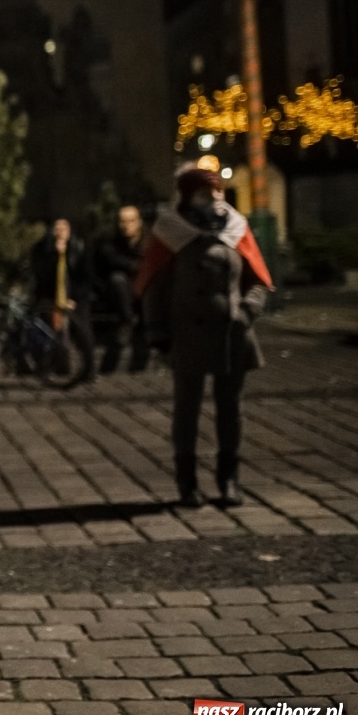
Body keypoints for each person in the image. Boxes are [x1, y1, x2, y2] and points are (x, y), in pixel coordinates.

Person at [136, 165, 272, 508]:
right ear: (186, 195)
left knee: (231, 410)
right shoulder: (171, 231)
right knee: (187, 411)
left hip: (232, 333)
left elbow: (257, 280)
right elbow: (155, 286)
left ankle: (229, 480)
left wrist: (247, 312)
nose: (214, 198)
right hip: (188, 335)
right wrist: (158, 334)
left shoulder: (236, 228)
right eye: (204, 192)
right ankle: (187, 483)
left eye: (218, 191)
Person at [29, 218, 98, 386]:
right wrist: (55, 256)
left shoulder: (79, 248)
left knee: (82, 327)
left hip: (74, 296)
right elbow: (42, 277)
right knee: (44, 325)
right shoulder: (43, 249)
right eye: (57, 228)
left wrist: (73, 298)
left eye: (64, 228)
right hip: (50, 296)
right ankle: (52, 365)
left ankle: (88, 370)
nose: (61, 232)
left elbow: (86, 278)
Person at [96, 205, 149, 374]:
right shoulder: (112, 242)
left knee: (139, 331)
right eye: (123, 221)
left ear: (139, 222)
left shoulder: (149, 241)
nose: (127, 225)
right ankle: (128, 321)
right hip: (120, 299)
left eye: (131, 221)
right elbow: (110, 260)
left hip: (144, 294)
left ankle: (138, 366)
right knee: (117, 280)